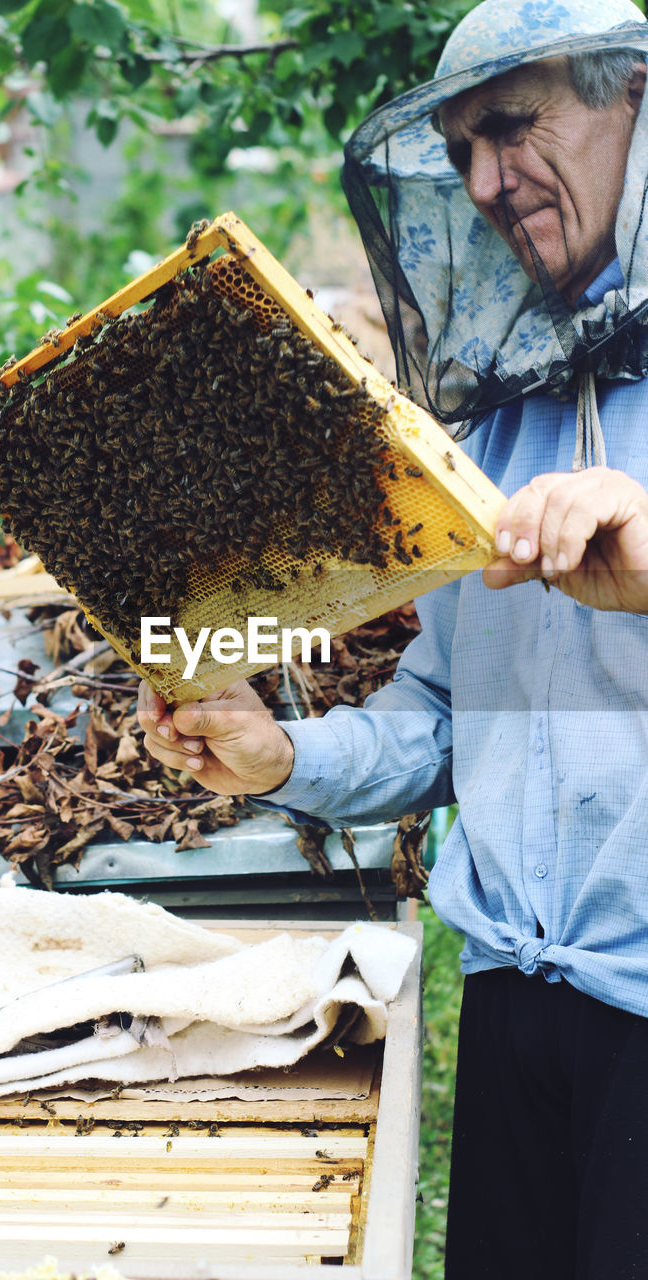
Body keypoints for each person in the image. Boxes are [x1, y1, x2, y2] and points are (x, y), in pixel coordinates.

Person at [139, 1, 648, 1277]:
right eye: (463, 147)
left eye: (514, 127)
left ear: (636, 101)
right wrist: (280, 758)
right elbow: (442, 712)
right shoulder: (499, 423)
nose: (485, 181)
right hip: (517, 1000)